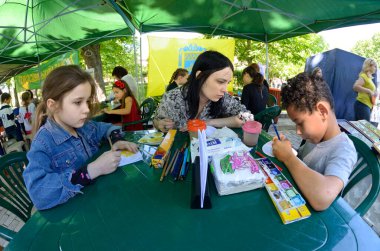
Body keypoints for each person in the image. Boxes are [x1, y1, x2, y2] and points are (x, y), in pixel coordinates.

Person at [23, 65, 138, 210]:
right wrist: (91, 171)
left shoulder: (85, 126)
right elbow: (39, 194)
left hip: (98, 202)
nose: (87, 109)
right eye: (78, 102)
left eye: (87, 101)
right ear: (53, 105)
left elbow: (108, 128)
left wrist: (117, 139)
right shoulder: (43, 143)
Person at [272, 73, 356, 211]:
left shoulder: (344, 150)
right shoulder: (314, 137)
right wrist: (288, 149)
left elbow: (322, 198)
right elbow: (303, 161)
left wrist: (288, 157)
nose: (298, 132)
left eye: (300, 123)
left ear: (322, 111)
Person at [153, 50, 249, 132]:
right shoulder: (172, 98)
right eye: (220, 82)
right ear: (199, 76)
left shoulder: (224, 99)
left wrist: (209, 122)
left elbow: (247, 117)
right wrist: (159, 124)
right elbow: (156, 123)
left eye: (227, 83)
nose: (225, 89)